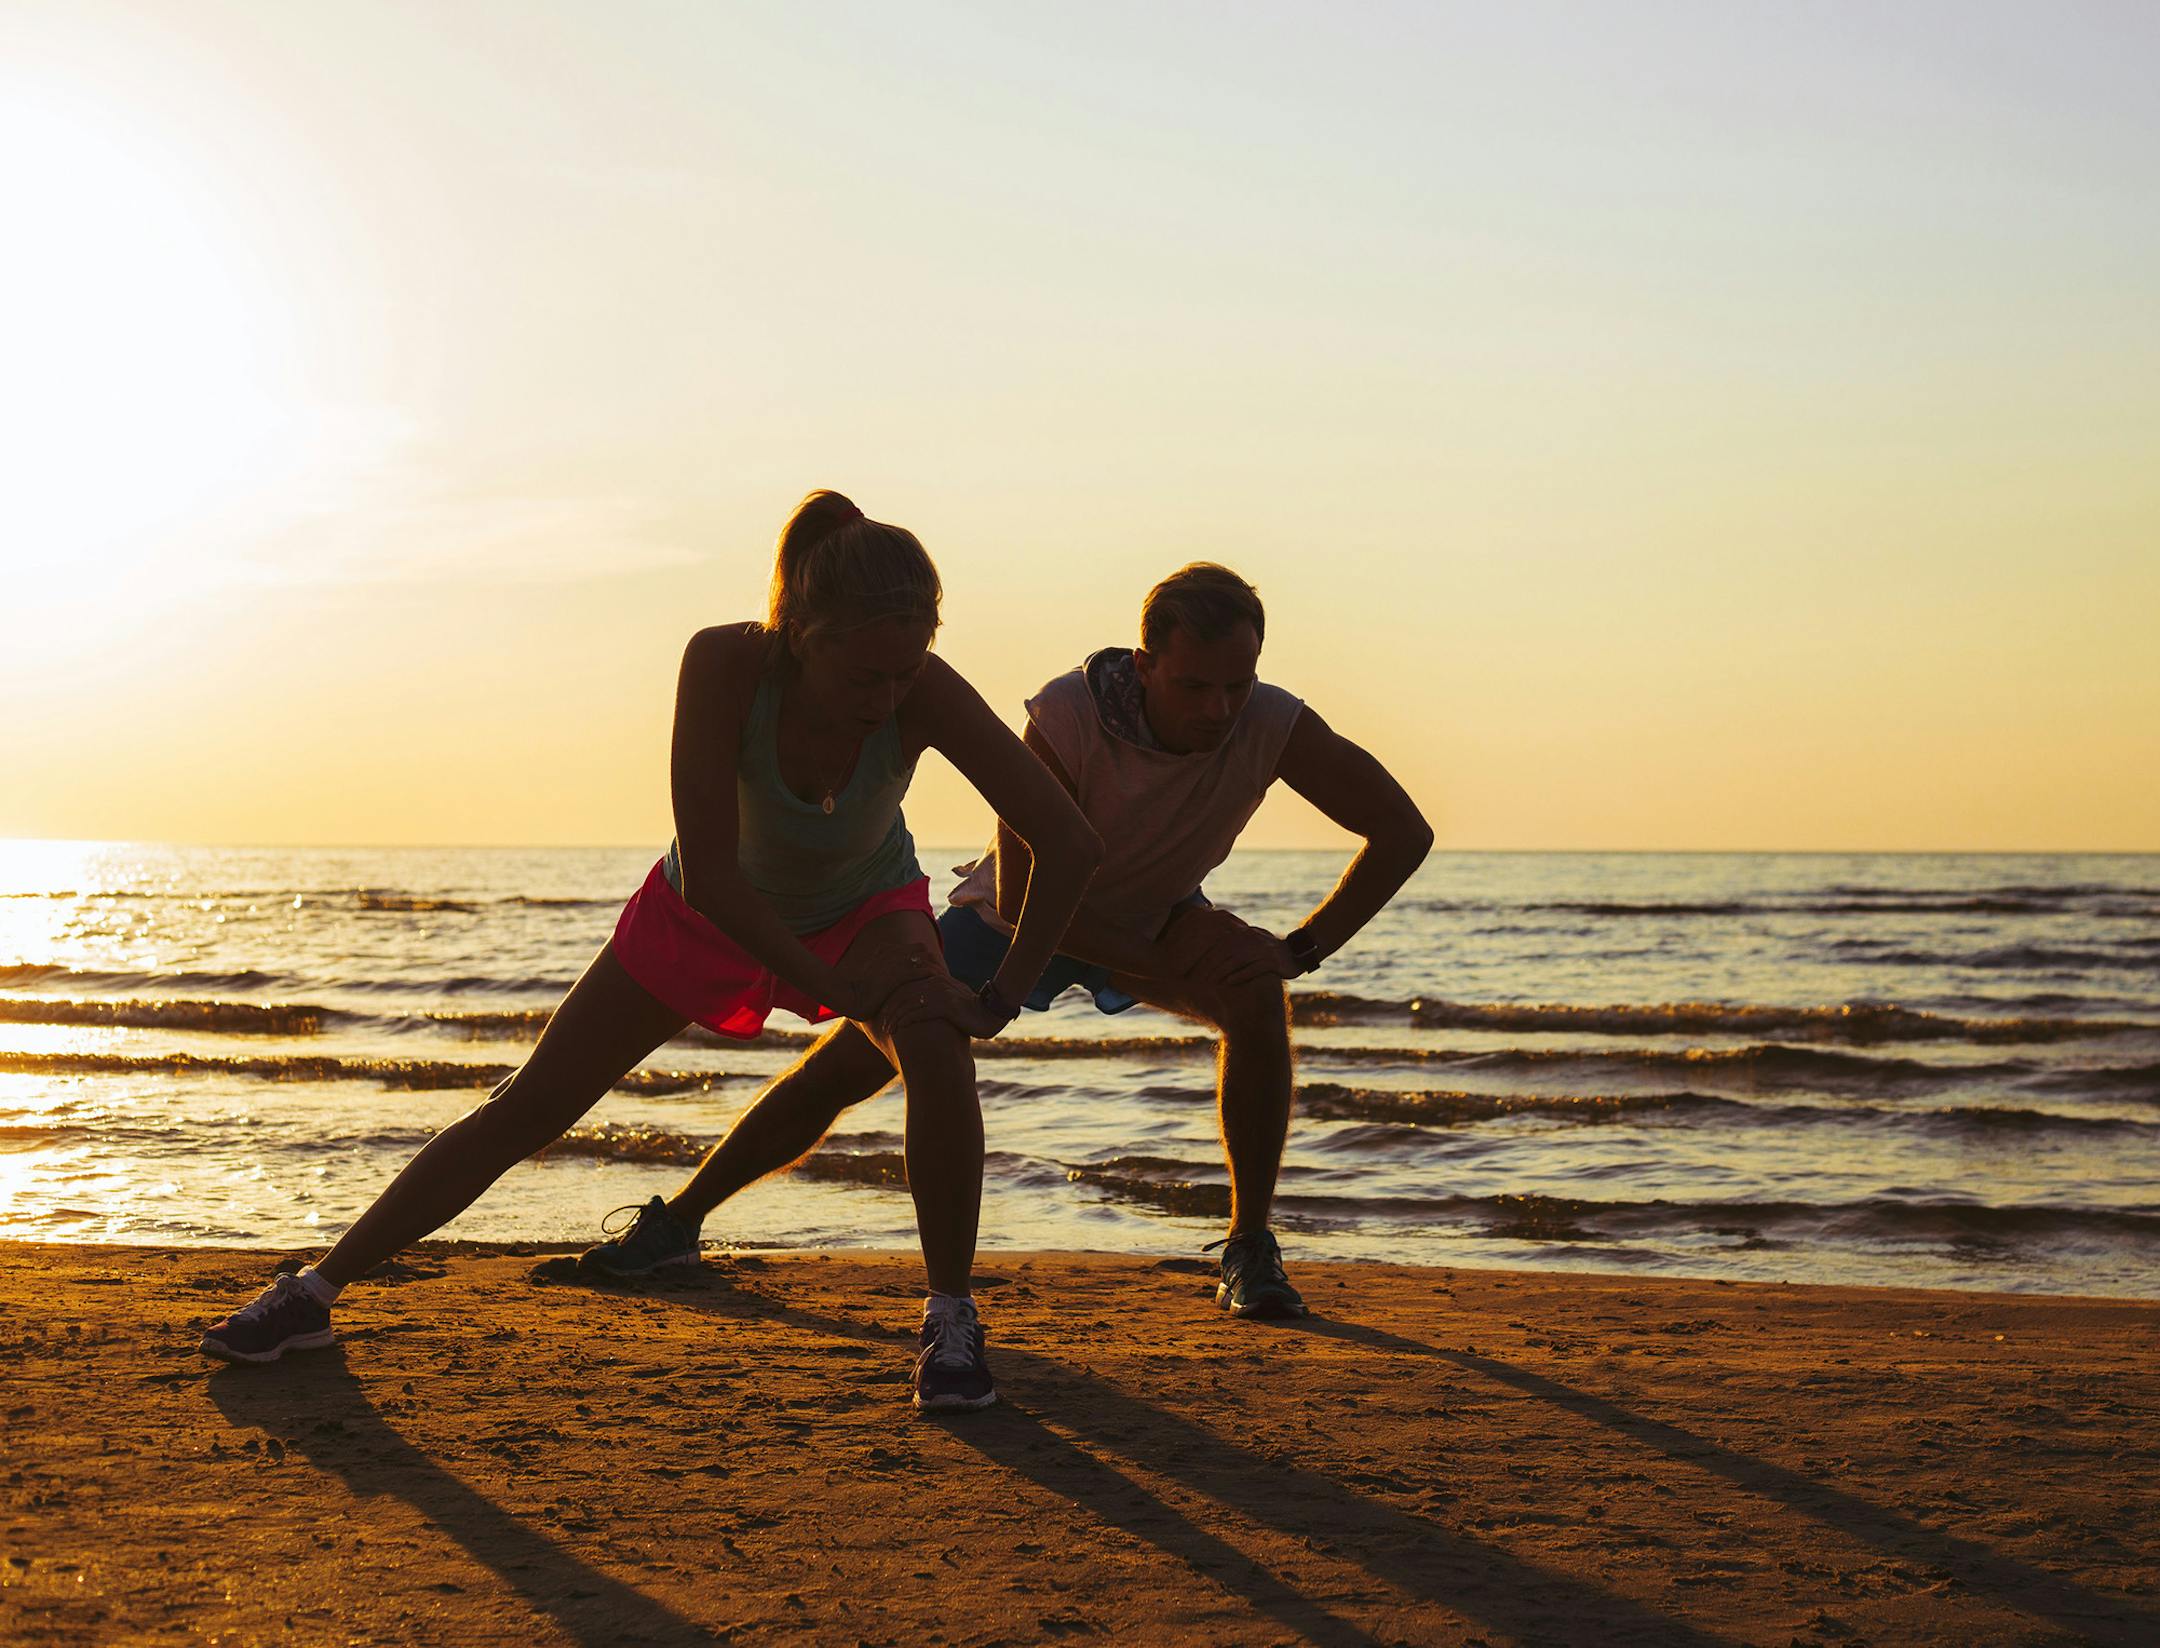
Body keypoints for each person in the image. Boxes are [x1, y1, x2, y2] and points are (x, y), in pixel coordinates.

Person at [199, 491, 1102, 1412]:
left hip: (865, 906)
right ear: (801, 635)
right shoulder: (723, 664)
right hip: (707, 910)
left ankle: (951, 1321)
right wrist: (835, 989)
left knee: (939, 1052)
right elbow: (713, 875)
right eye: (866, 677)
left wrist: (998, 998)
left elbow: (1066, 841)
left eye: (904, 675)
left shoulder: (922, 688)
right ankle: (313, 1291)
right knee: (530, 1105)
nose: (886, 699)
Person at [579, 562, 1430, 1318]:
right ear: (1146, 666)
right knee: (850, 1066)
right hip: (1012, 918)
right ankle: (679, 1224)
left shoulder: (1271, 724)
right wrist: (1150, 958)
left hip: (1156, 912)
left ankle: (1249, 1248)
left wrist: (1296, 948)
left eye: (1236, 686)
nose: (1218, 710)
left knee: (1253, 993)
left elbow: (1402, 830)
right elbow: (1029, 896)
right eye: (1195, 687)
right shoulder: (1066, 715)